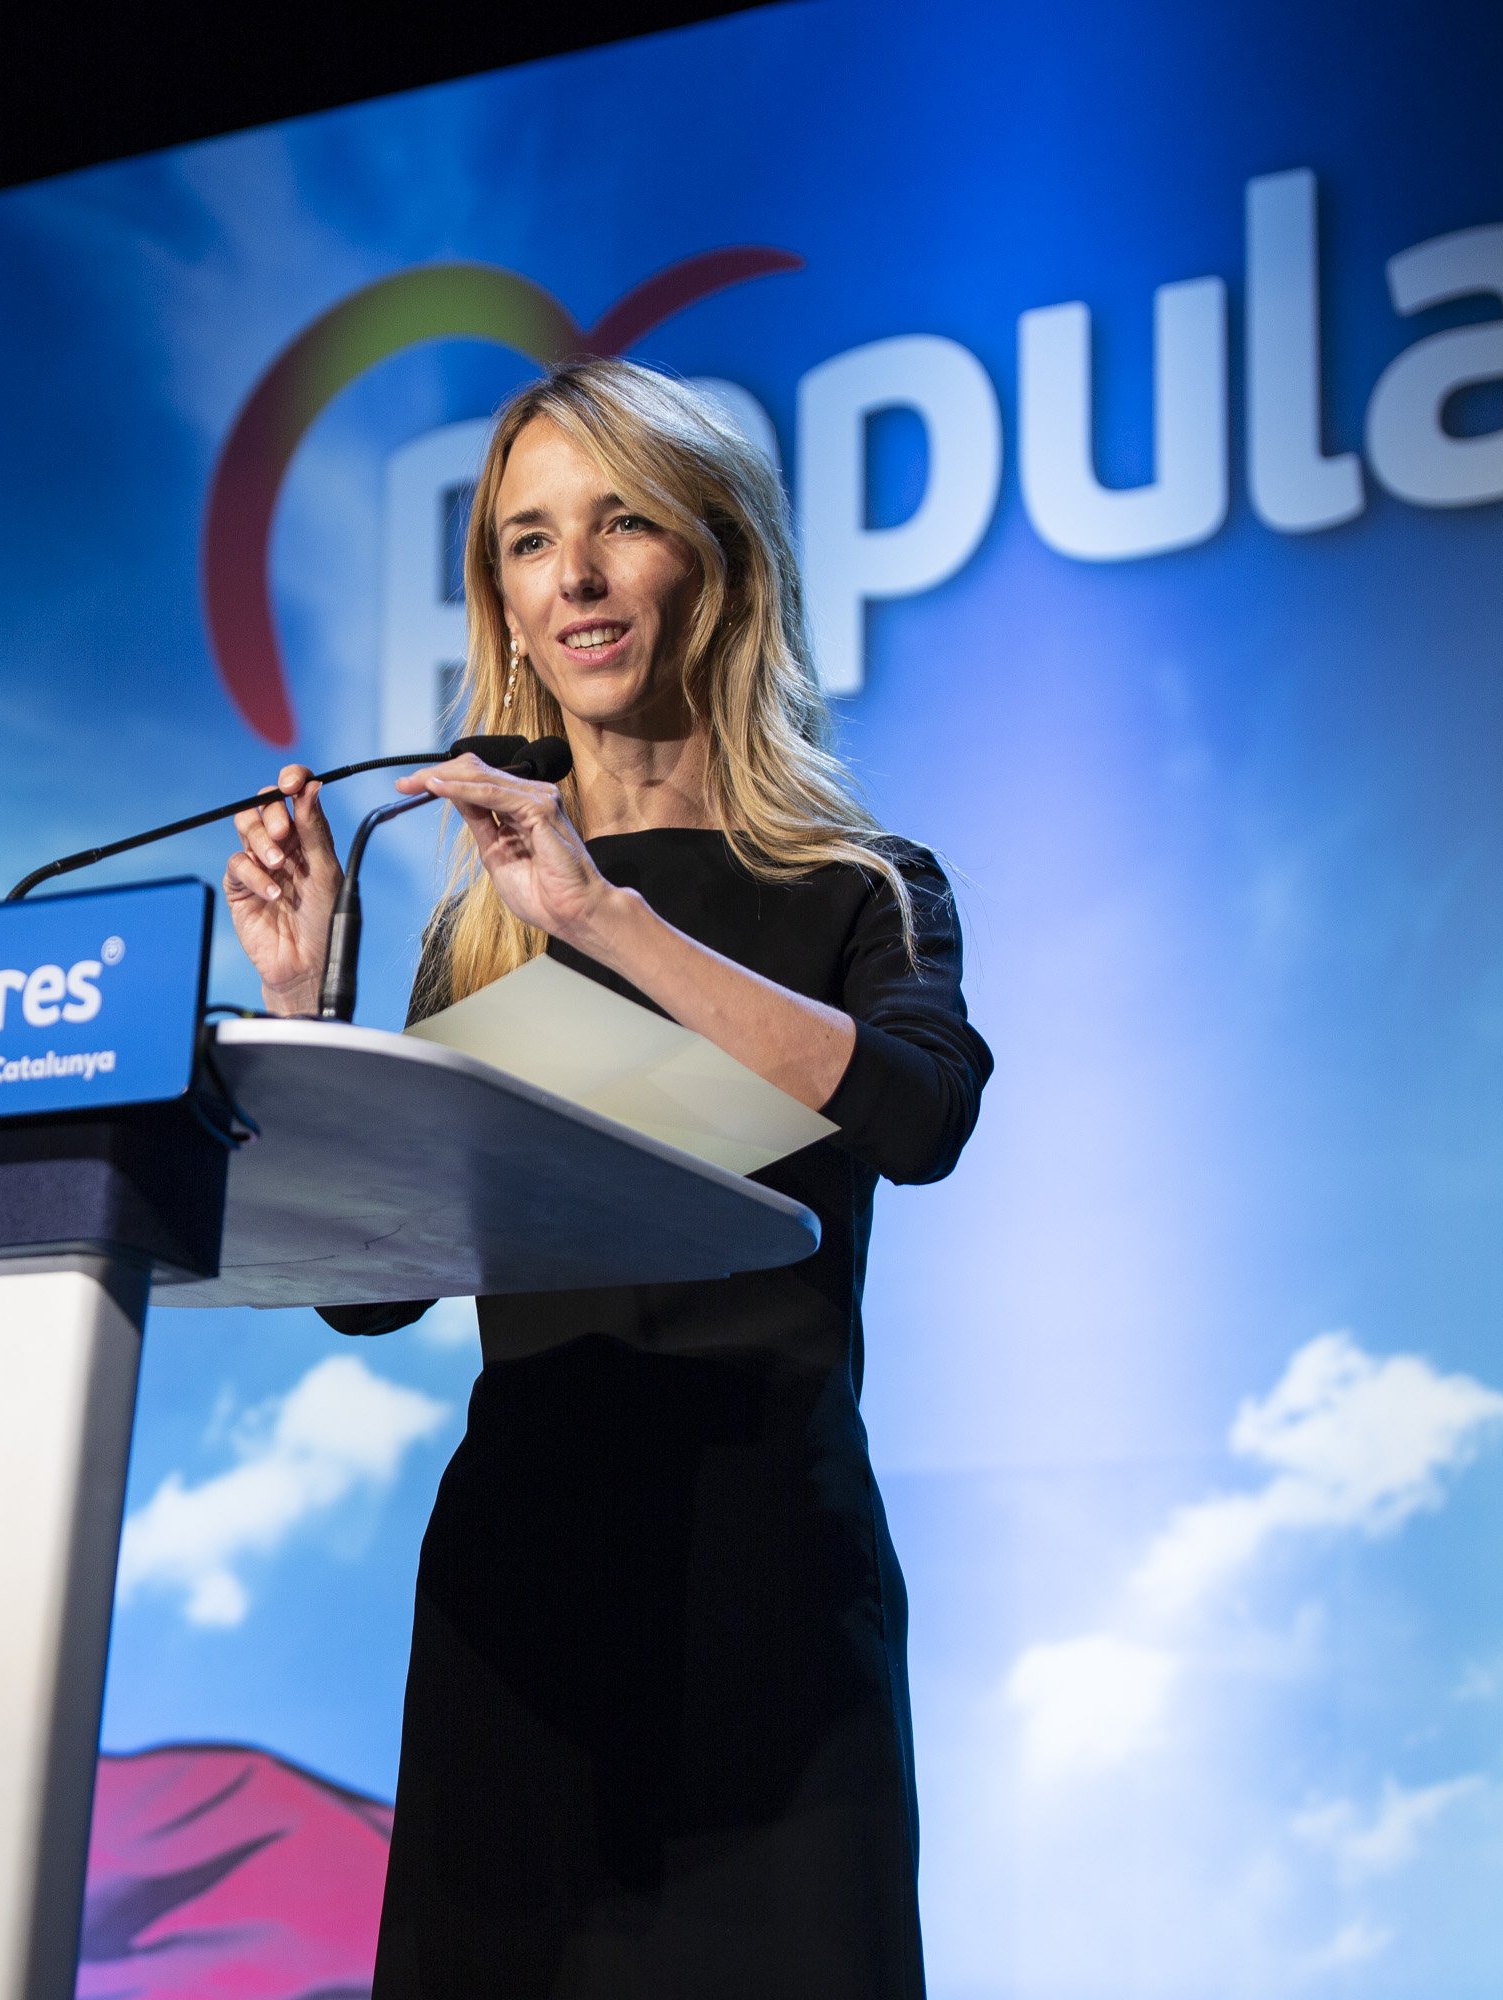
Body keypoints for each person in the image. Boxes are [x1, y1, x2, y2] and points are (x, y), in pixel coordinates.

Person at [222, 357, 990, 1999]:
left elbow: (918, 1118)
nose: (569, 577)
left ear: (716, 559)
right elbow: (375, 1290)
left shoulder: (859, 886)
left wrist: (605, 922)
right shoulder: (474, 925)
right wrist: (311, 1013)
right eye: (525, 539)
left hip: (767, 1591)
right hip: (526, 1595)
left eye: (621, 522)